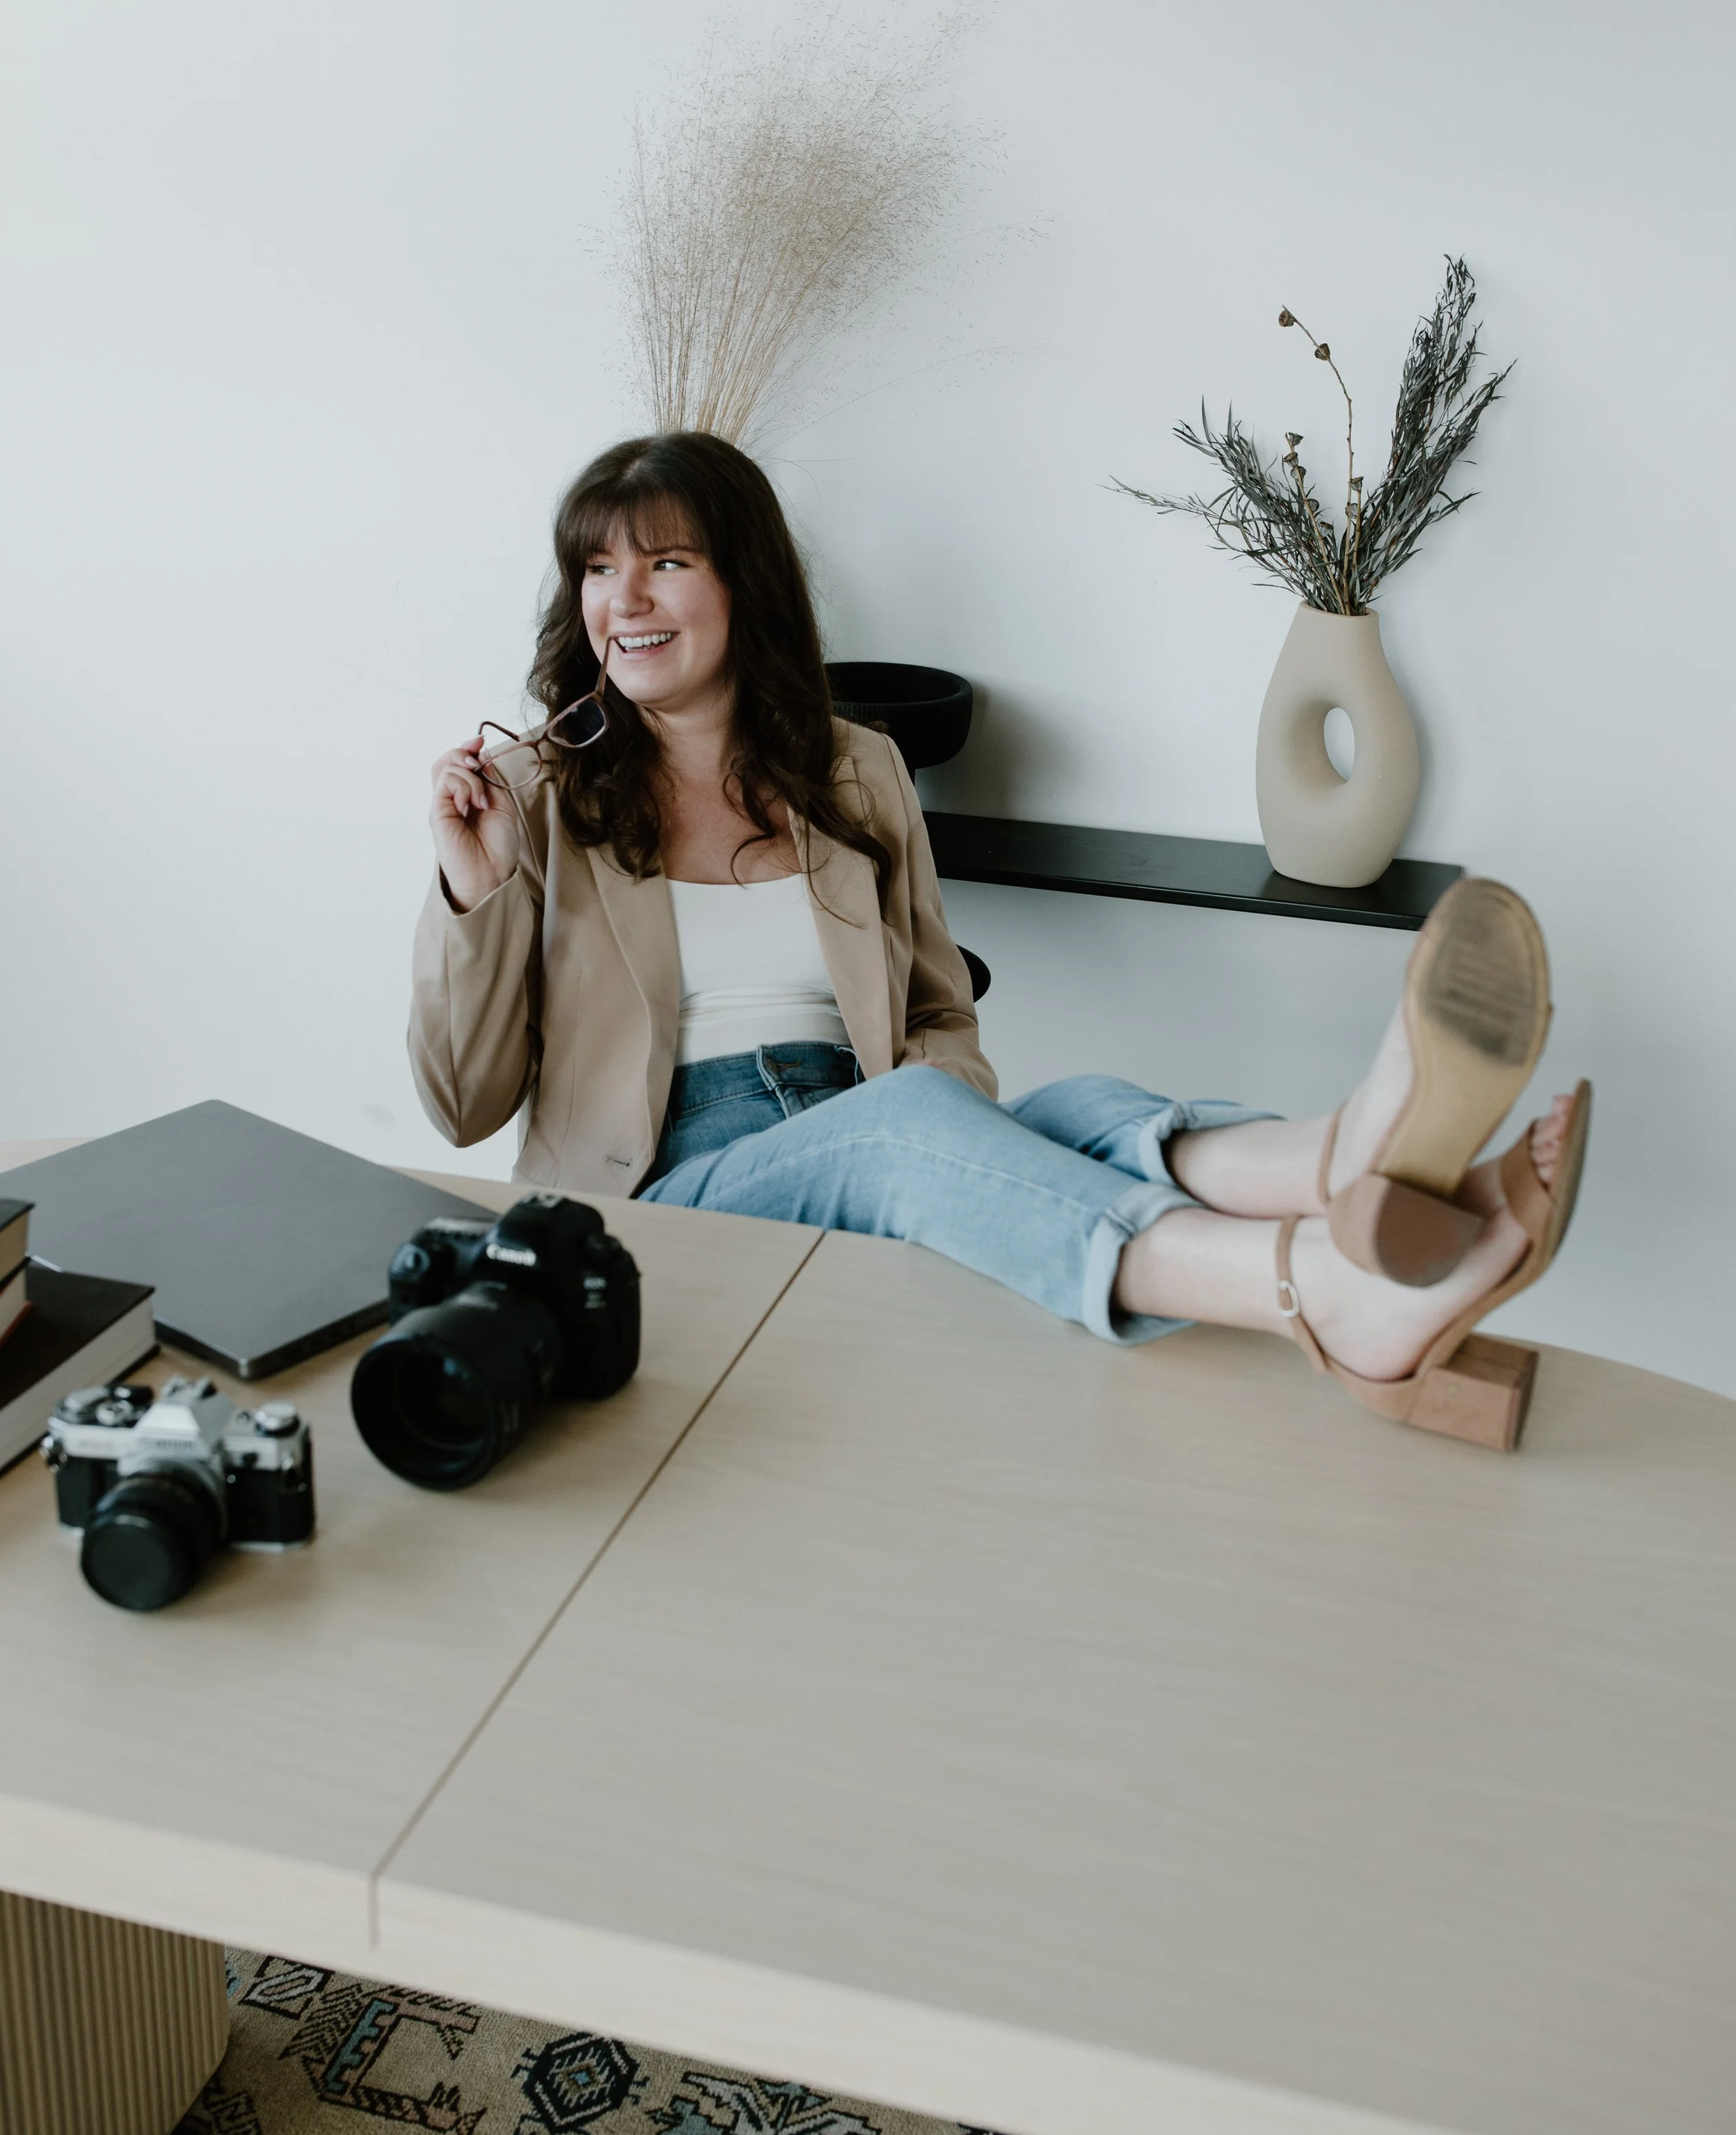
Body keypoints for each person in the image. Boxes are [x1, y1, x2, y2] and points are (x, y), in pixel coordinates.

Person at [411, 434, 1588, 1447]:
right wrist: (473, 892)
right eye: (600, 569)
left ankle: (1351, 1163)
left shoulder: (856, 771)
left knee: (1072, 1108)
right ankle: (1314, 1287)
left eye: (668, 561)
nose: (627, 598)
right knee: (911, 1127)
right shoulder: (538, 794)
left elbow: (936, 1023)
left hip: (857, 1124)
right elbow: (464, 1106)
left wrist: (942, 1112)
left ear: (744, 584)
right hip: (666, 1195)